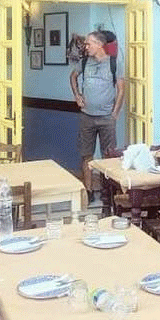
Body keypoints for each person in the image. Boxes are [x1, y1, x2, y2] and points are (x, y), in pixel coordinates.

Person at [69, 30, 125, 201]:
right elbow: (73, 76)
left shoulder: (114, 63)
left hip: (107, 118)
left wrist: (115, 114)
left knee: (109, 156)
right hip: (86, 116)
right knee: (86, 155)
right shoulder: (85, 62)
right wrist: (77, 95)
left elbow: (121, 90)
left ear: (99, 45)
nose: (85, 47)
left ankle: (108, 192)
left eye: (88, 43)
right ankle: (89, 191)